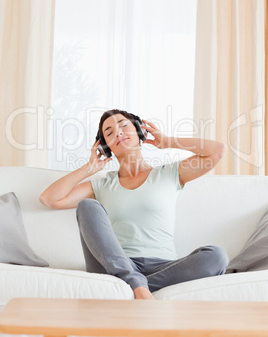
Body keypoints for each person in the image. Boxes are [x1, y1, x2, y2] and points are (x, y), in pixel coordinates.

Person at [40, 109, 229, 300]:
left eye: (123, 126)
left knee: (216, 256)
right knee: (87, 206)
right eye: (109, 132)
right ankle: (134, 282)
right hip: (115, 265)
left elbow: (217, 151)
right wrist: (88, 169)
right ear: (107, 147)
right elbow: (49, 199)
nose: (118, 133)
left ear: (139, 132)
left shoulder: (169, 173)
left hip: (164, 267)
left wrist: (167, 141)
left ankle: (135, 287)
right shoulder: (103, 184)